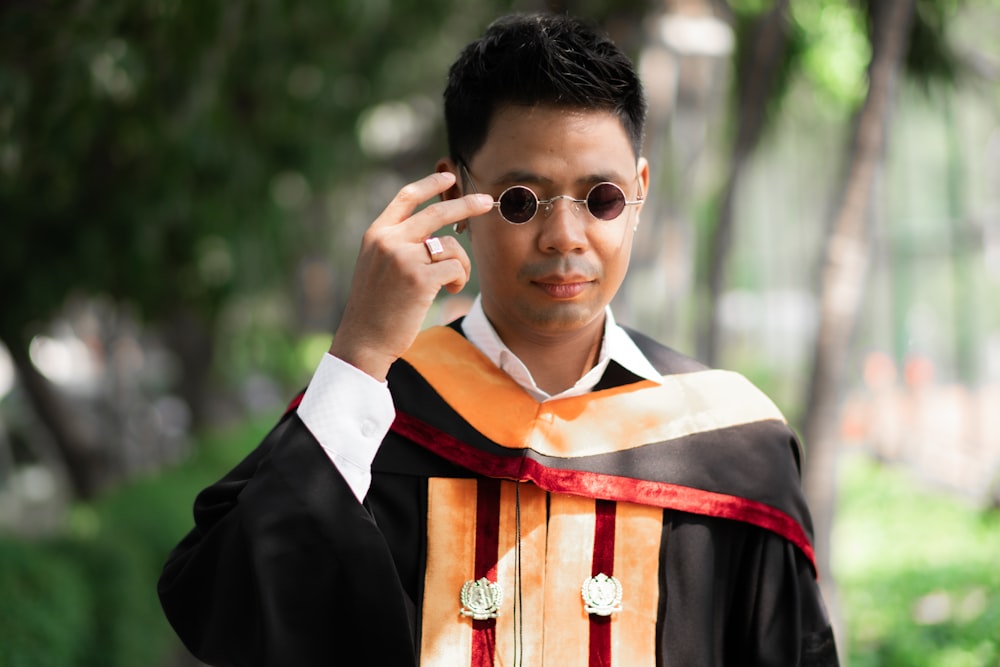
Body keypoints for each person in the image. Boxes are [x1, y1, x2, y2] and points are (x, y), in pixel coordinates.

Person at [158, 12, 840, 667]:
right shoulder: (376, 420)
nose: (565, 236)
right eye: (520, 199)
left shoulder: (732, 442)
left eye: (600, 196)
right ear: (455, 192)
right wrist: (361, 351)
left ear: (639, 190)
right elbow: (220, 611)